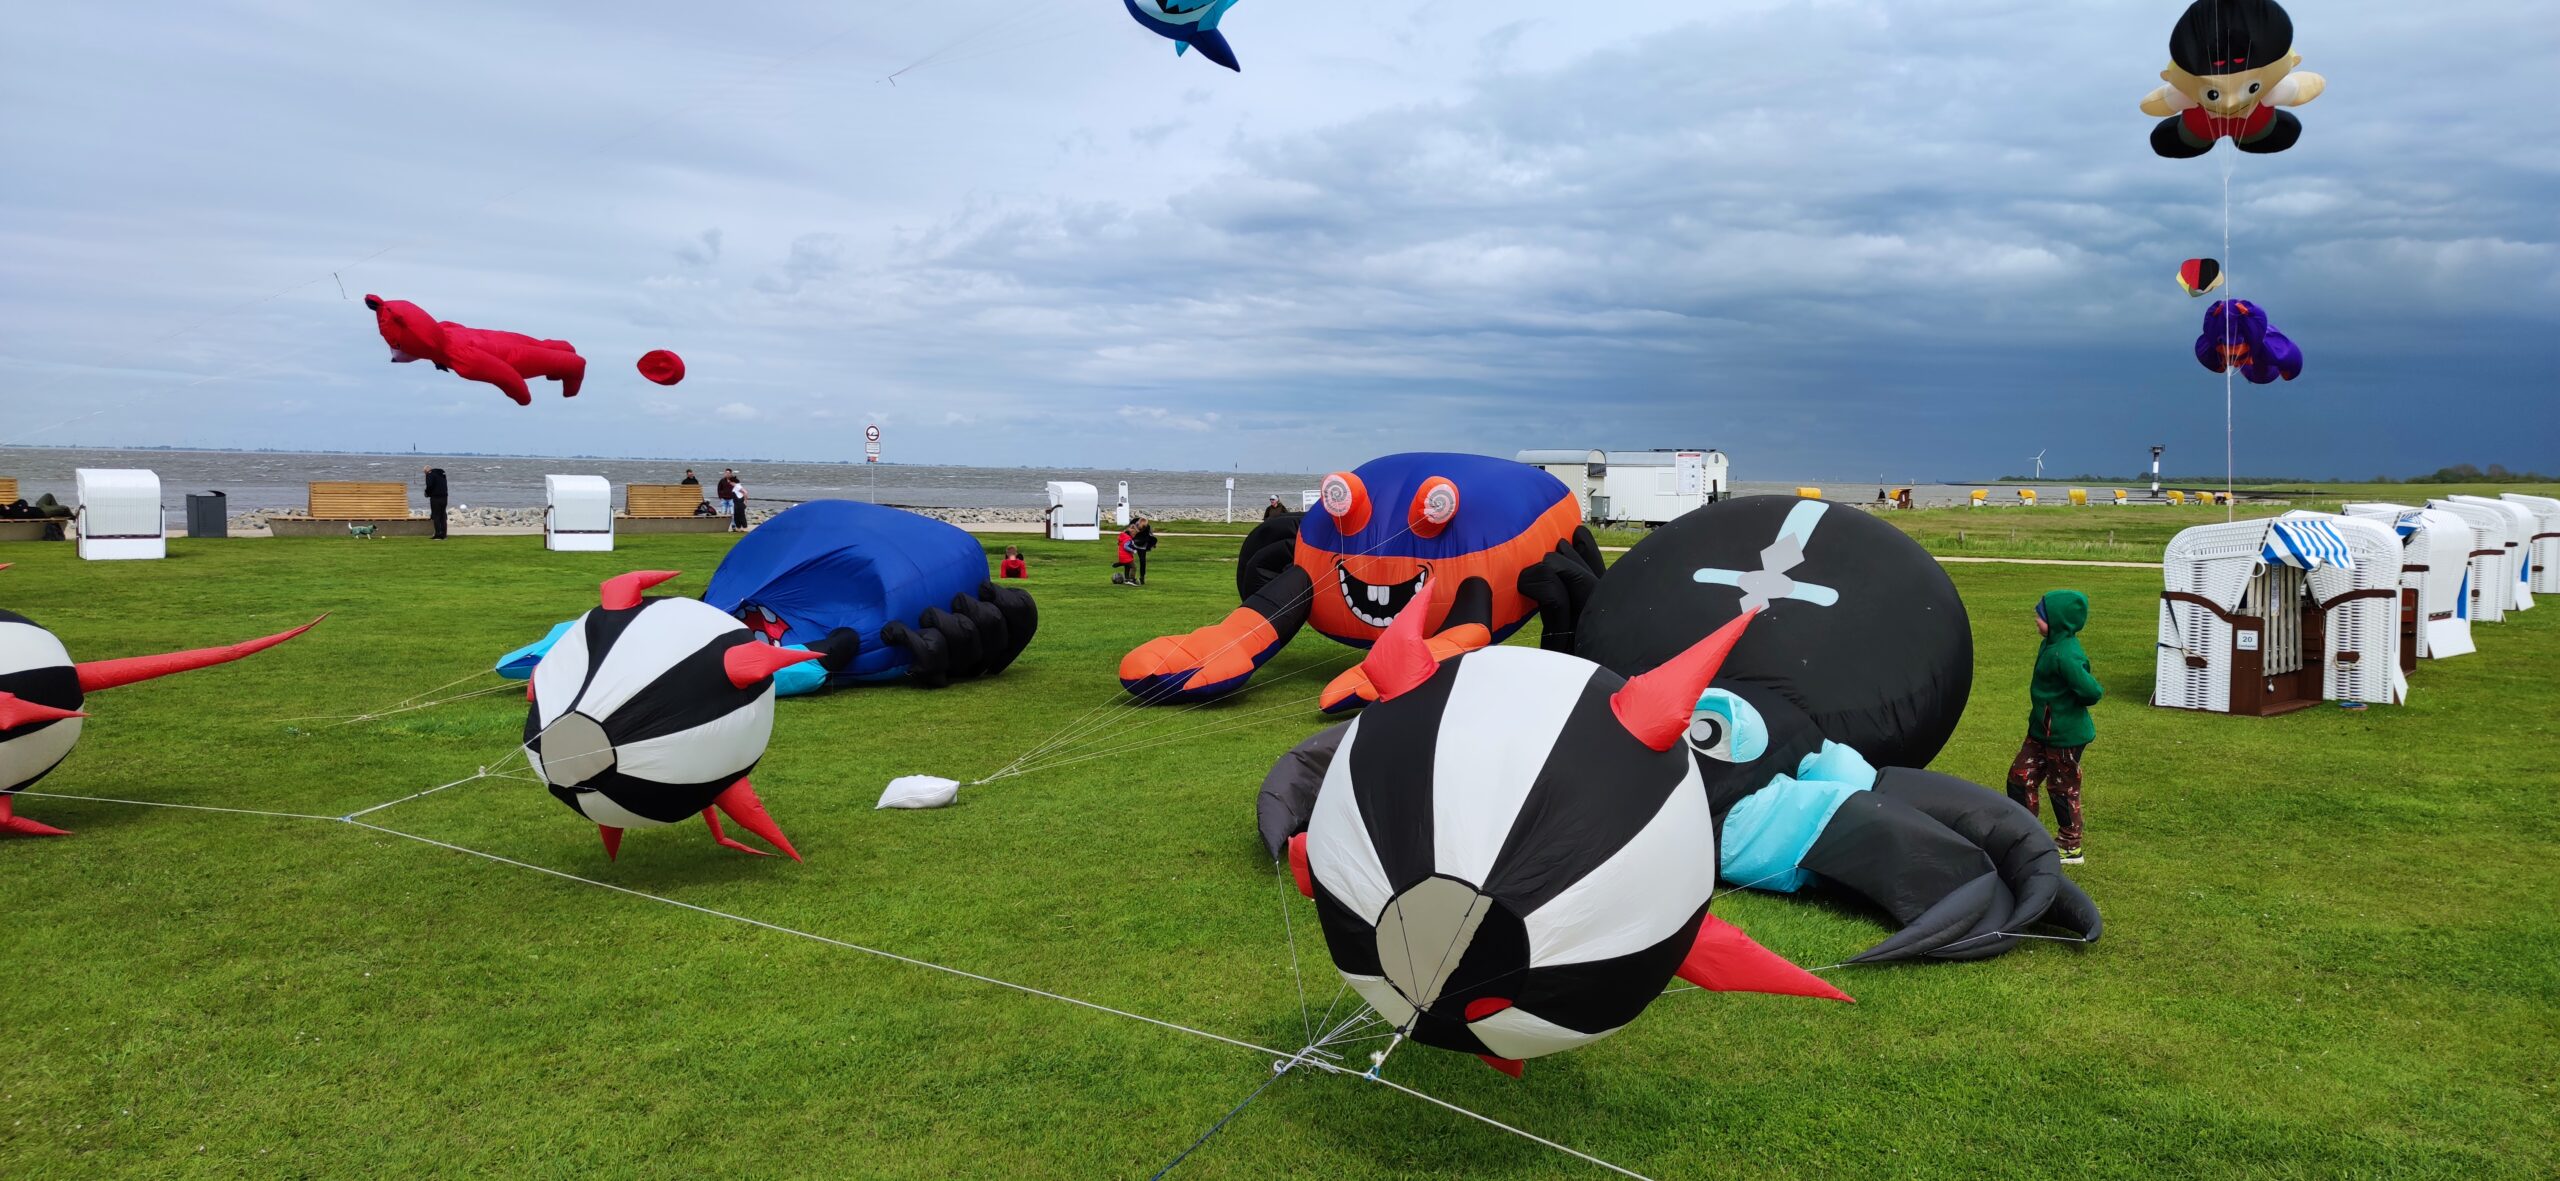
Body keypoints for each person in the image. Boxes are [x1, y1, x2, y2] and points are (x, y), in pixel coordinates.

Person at [2007, 590, 2102, 865]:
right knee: (2019, 778)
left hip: (2064, 736)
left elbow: (2091, 691)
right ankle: (2023, 838)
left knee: (2062, 788)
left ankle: (2071, 846)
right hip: (2040, 732)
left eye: (2041, 615)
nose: (2036, 619)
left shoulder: (2066, 655)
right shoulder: (2050, 643)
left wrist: (2062, 709)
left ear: (2059, 622)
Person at [422, 465, 449, 540]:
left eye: (424, 473)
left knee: (436, 516)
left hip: (435, 498)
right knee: (443, 515)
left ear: (426, 471)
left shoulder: (430, 475)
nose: (425, 474)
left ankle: (438, 534)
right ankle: (444, 534)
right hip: (444, 497)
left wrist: (427, 493)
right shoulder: (441, 473)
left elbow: (429, 486)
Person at [1130, 517, 1157, 585]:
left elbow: (1150, 535)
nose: (1142, 528)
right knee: (1128, 559)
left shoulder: (1147, 527)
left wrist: (1153, 543)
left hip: (1142, 544)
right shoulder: (1134, 522)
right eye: (1140, 527)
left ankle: (1142, 577)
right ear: (1138, 523)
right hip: (1133, 542)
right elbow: (1129, 531)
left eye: (1143, 527)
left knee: (1142, 561)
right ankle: (1128, 577)